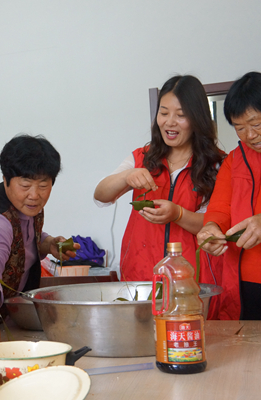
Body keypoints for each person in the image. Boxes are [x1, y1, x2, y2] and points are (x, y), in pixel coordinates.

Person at [94, 75, 225, 291]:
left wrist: (178, 214)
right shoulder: (142, 158)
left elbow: (217, 224)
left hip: (192, 281)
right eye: (163, 113)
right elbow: (101, 195)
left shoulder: (217, 165)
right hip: (141, 277)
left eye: (181, 115)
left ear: (197, 118)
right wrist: (127, 177)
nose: (169, 122)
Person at [197, 72, 261, 320]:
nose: (249, 136)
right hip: (242, 287)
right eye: (240, 128)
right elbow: (220, 208)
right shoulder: (236, 159)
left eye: (256, 124)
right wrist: (211, 227)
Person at [0, 134, 79, 346]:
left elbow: (26, 237)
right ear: (5, 180)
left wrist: (48, 244)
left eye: (43, 186)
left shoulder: (26, 208)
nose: (34, 195)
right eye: (25, 185)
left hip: (9, 319)